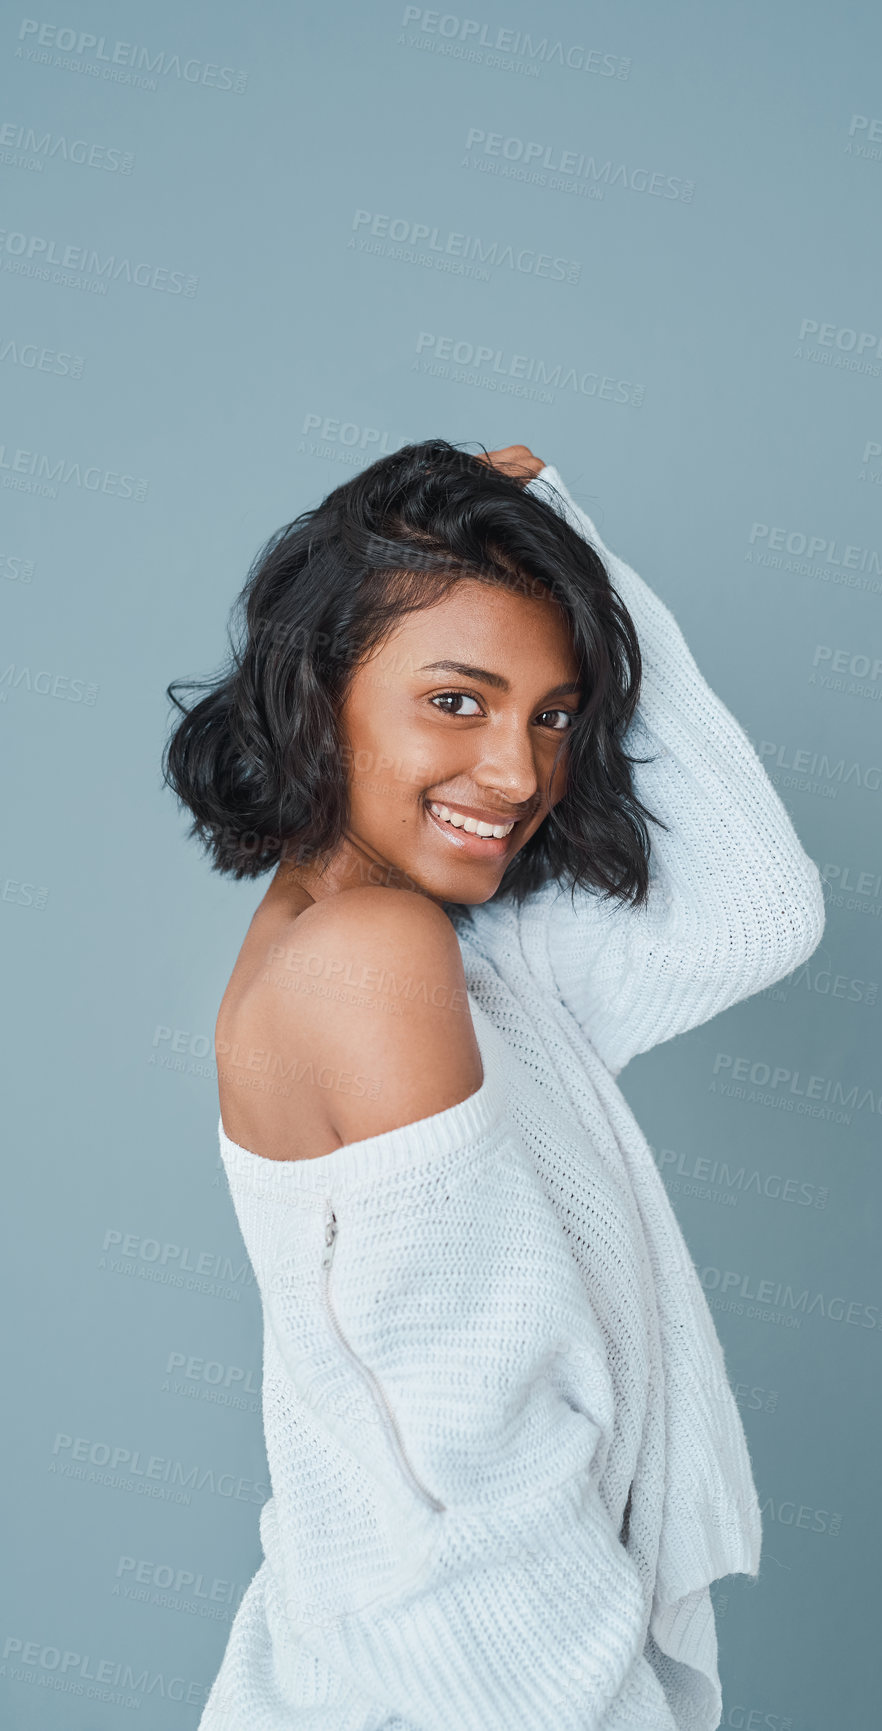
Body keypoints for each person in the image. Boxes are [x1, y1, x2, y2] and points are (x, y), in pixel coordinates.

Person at [163, 439, 826, 1731]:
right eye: (455, 701)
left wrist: (566, 546)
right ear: (321, 690)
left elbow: (757, 920)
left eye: (556, 713)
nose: (519, 774)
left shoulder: (449, 951)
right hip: (466, 1683)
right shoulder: (373, 959)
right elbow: (493, 1455)